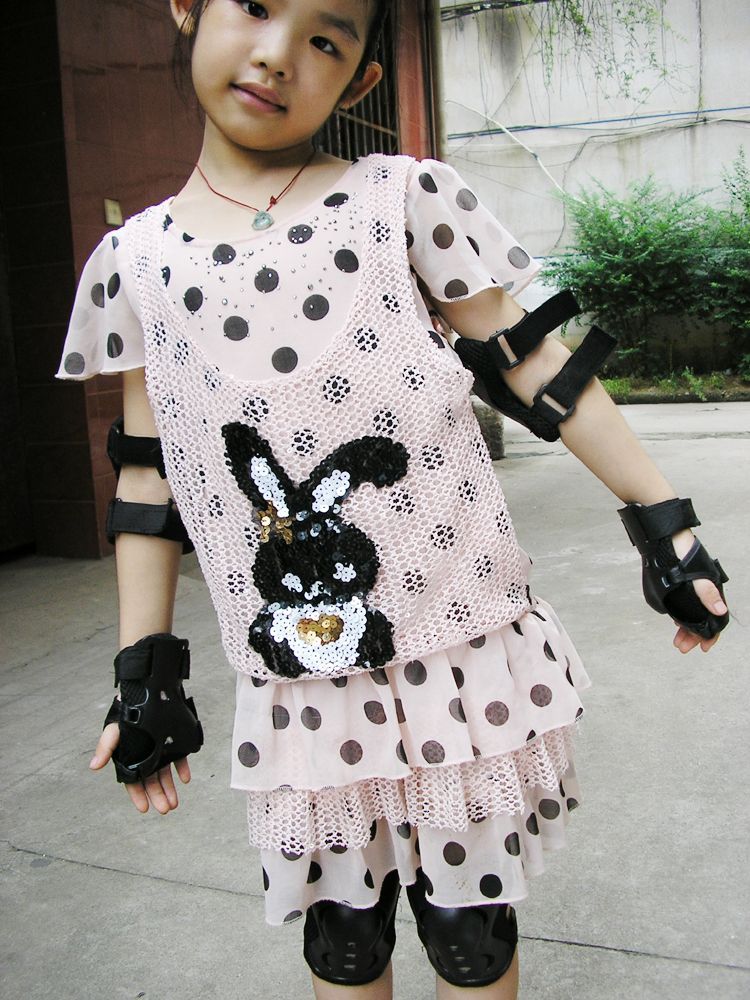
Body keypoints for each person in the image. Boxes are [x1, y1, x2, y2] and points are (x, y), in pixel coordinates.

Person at [56, 2, 729, 998]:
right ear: (187, 6)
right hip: (299, 678)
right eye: (255, 7)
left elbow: (533, 362)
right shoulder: (135, 264)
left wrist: (667, 525)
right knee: (344, 939)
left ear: (361, 79)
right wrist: (143, 669)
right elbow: (149, 474)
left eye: (324, 39)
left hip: (456, 649)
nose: (277, 55)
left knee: (468, 935)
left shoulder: (400, 199)